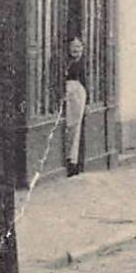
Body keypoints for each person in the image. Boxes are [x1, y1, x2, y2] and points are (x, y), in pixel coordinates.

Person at [63, 37, 87, 177]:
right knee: (67, 126)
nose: (76, 50)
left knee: (75, 127)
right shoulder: (65, 62)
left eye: (79, 47)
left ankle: (73, 161)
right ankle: (68, 159)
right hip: (67, 94)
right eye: (73, 46)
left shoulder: (83, 63)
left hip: (77, 95)